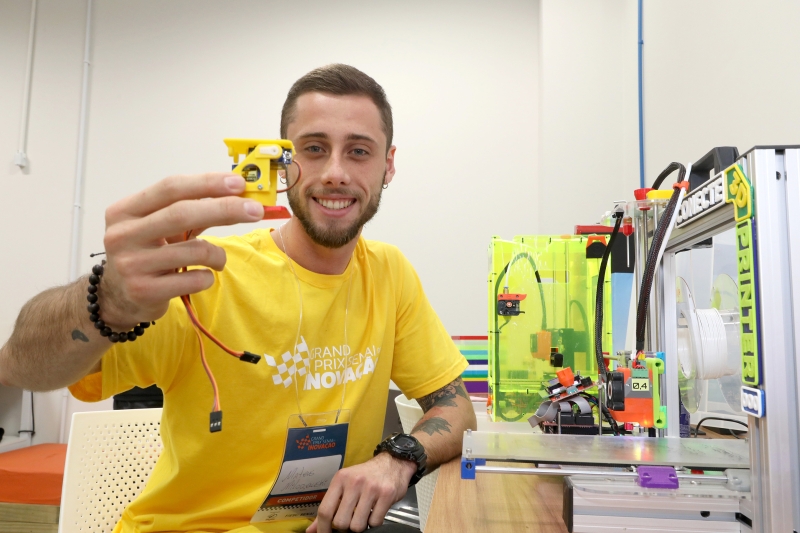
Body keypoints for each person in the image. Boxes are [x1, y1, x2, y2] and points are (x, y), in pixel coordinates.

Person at [0, 64, 476, 533]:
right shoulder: (203, 274)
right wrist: (104, 299)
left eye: (358, 151)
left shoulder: (389, 272)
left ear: (388, 165)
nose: (335, 173)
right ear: (283, 161)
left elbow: (457, 408)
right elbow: (21, 366)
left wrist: (397, 460)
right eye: (313, 148)